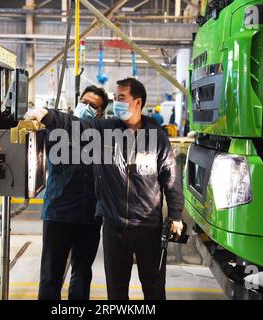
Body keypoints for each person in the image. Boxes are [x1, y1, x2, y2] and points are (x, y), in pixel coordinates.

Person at [26, 78, 184, 300]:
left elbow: (171, 177)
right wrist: (47, 114)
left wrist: (176, 215)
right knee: (117, 292)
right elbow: (78, 125)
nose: (117, 102)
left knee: (154, 289)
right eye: (115, 98)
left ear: (137, 103)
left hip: (149, 227)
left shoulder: (157, 136)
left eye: (121, 98)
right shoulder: (106, 130)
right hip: (114, 227)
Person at [38, 85, 109, 300]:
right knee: (51, 276)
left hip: (88, 215)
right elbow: (59, 123)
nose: (86, 107)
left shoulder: (102, 132)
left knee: (82, 275)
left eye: (93, 106)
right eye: (84, 102)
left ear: (101, 113)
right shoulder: (60, 126)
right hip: (58, 212)